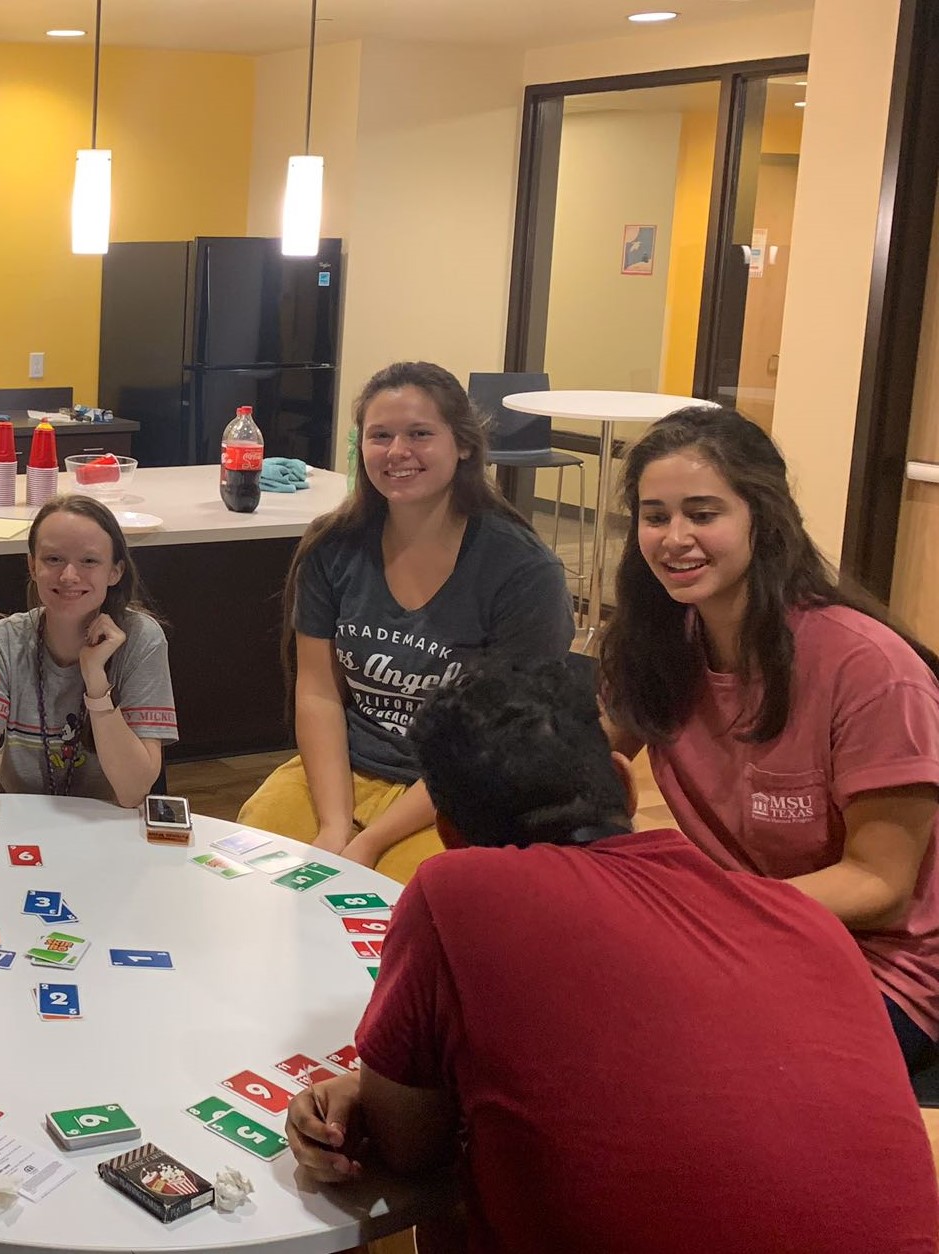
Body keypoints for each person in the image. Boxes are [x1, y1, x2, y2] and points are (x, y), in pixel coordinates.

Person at [287, 658, 938, 1253]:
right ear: (626, 787)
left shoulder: (455, 890)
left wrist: (369, 1094)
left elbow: (408, 1152)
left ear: (449, 836)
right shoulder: (798, 915)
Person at [599, 405, 939, 1074]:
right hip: (729, 940)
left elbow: (879, 884)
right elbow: (573, 768)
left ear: (762, 515)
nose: (673, 538)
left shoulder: (868, 667)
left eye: (702, 513)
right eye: (654, 514)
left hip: (869, 969)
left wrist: (700, 911)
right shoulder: (658, 642)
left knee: (660, 1071)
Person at [238, 361, 574, 881]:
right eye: (381, 435)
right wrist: (333, 827)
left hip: (465, 785)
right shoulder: (332, 546)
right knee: (260, 839)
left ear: (462, 444)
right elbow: (319, 694)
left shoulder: (523, 571)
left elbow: (492, 741)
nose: (398, 452)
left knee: (417, 889)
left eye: (420, 434)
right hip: (349, 773)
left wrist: (369, 841)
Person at [0, 494, 175, 807]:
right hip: (17, 821)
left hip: (103, 827)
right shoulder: (5, 639)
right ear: (32, 566)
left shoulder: (141, 639)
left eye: (89, 561)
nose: (68, 576)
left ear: (115, 572)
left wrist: (96, 682)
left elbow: (132, 792)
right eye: (53, 559)